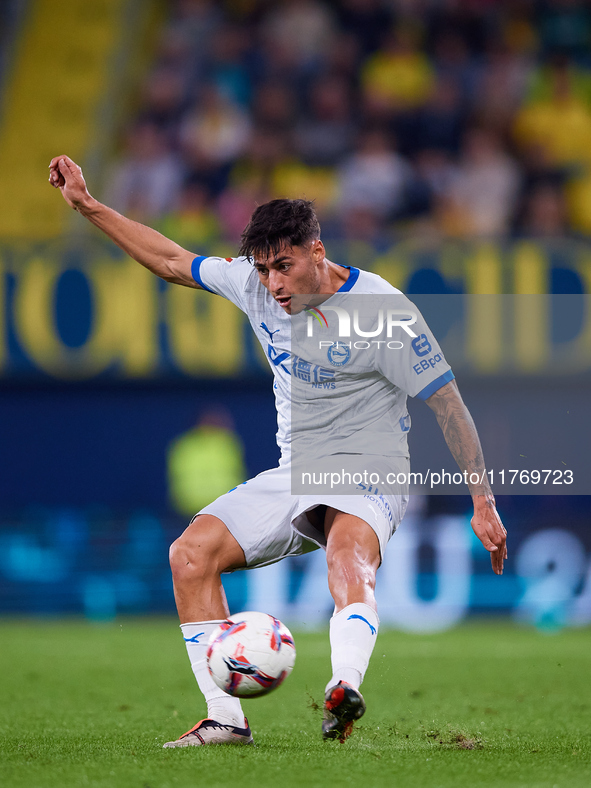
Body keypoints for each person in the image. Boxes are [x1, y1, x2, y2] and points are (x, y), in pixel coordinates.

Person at [49, 155, 507, 747]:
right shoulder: (256, 286)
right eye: (264, 270)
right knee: (189, 556)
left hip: (371, 467)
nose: (274, 285)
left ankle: (344, 689)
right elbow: (169, 260)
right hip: (296, 469)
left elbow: (448, 406)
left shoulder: (383, 311)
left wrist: (482, 500)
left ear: (317, 251)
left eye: (284, 267)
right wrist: (88, 205)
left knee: (347, 555)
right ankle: (225, 718)